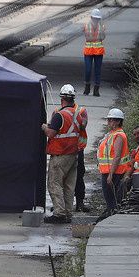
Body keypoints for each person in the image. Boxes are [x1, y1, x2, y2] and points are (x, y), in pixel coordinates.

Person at [42, 84, 83, 223]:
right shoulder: (77, 114)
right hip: (73, 154)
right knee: (69, 185)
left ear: (62, 99)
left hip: (60, 155)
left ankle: (59, 213)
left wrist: (44, 127)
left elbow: (51, 133)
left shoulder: (59, 115)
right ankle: (67, 213)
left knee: (54, 183)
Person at [97, 107, 131, 216]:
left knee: (112, 201)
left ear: (118, 121)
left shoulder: (119, 135)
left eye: (112, 120)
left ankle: (112, 217)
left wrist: (110, 175)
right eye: (109, 119)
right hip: (108, 171)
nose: (109, 122)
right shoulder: (112, 134)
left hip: (115, 173)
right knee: (110, 200)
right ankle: (111, 215)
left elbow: (116, 156)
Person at [83, 9, 106, 97]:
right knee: (88, 70)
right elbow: (88, 38)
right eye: (95, 18)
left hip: (98, 51)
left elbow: (103, 37)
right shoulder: (86, 25)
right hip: (88, 51)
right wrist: (96, 38)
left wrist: (94, 37)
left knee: (98, 70)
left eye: (97, 19)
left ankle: (96, 89)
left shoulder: (102, 26)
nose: (96, 20)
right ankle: (87, 86)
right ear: (91, 17)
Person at [73, 96, 89, 214]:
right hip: (64, 151)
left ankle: (79, 203)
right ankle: (63, 205)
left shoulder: (81, 111)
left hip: (77, 150)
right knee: (64, 178)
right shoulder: (58, 112)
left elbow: (83, 126)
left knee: (78, 177)